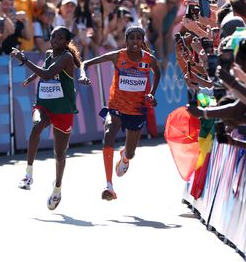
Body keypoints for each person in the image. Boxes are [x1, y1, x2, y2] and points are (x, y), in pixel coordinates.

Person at [79, 25, 160, 200]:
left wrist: (152, 93)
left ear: (143, 40)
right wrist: (83, 75)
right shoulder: (118, 56)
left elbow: (157, 74)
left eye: (139, 38)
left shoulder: (149, 59)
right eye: (132, 37)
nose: (135, 41)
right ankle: (109, 185)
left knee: (131, 153)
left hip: (137, 110)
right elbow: (86, 63)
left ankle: (124, 156)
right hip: (116, 107)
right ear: (126, 40)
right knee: (108, 134)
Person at [12, 26, 81, 211]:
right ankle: (28, 174)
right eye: (53, 36)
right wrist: (32, 78)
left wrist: (24, 60)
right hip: (45, 103)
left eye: (60, 37)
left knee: (59, 154)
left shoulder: (66, 57)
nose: (55, 39)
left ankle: (57, 188)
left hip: (63, 109)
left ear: (67, 42)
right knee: (36, 126)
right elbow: (44, 69)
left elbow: (49, 74)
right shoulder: (50, 53)